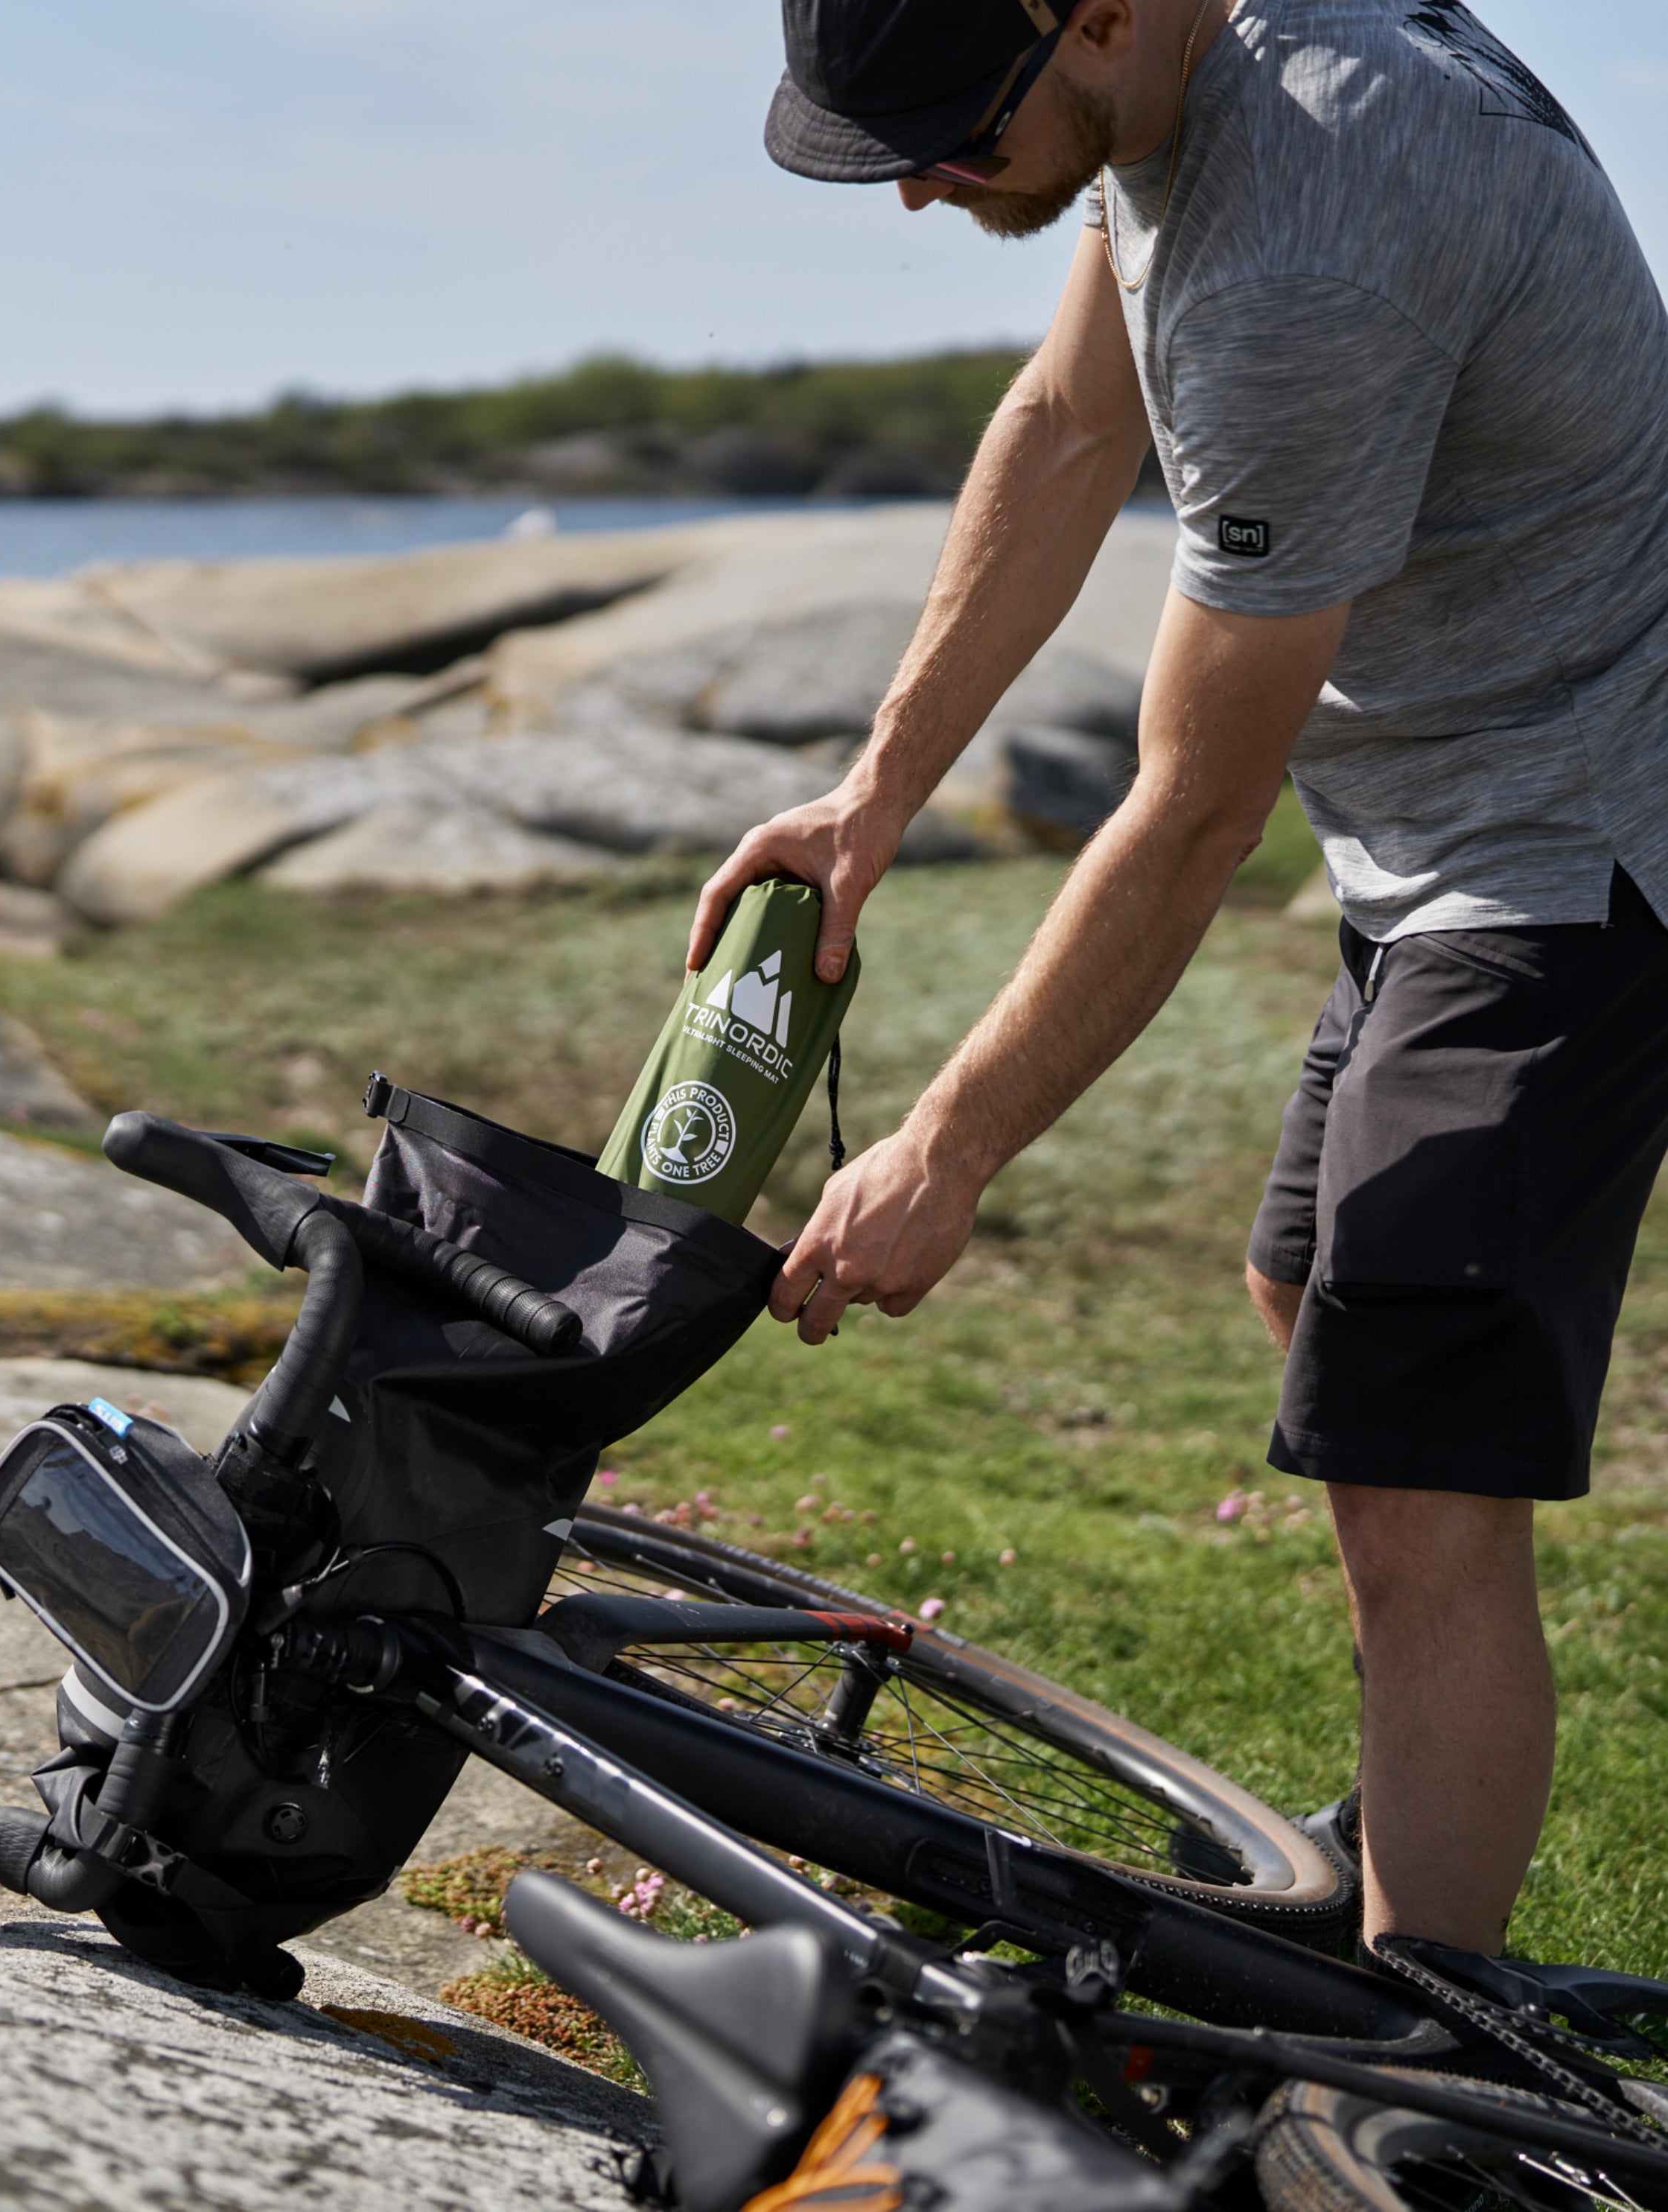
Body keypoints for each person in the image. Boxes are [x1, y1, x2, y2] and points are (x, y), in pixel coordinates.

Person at [700, 0, 1668, 1958]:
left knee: (1412, 1465)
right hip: (1440, 828)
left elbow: (1192, 813)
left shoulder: (1304, 251)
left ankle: (1413, 2042)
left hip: (1576, 846)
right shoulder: (1176, 82)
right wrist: (878, 791)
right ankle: (1415, 1820)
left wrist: (945, 1149)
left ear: (1100, 18)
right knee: (1311, 1290)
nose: (917, 194)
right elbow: (1072, 422)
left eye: (950, 138)